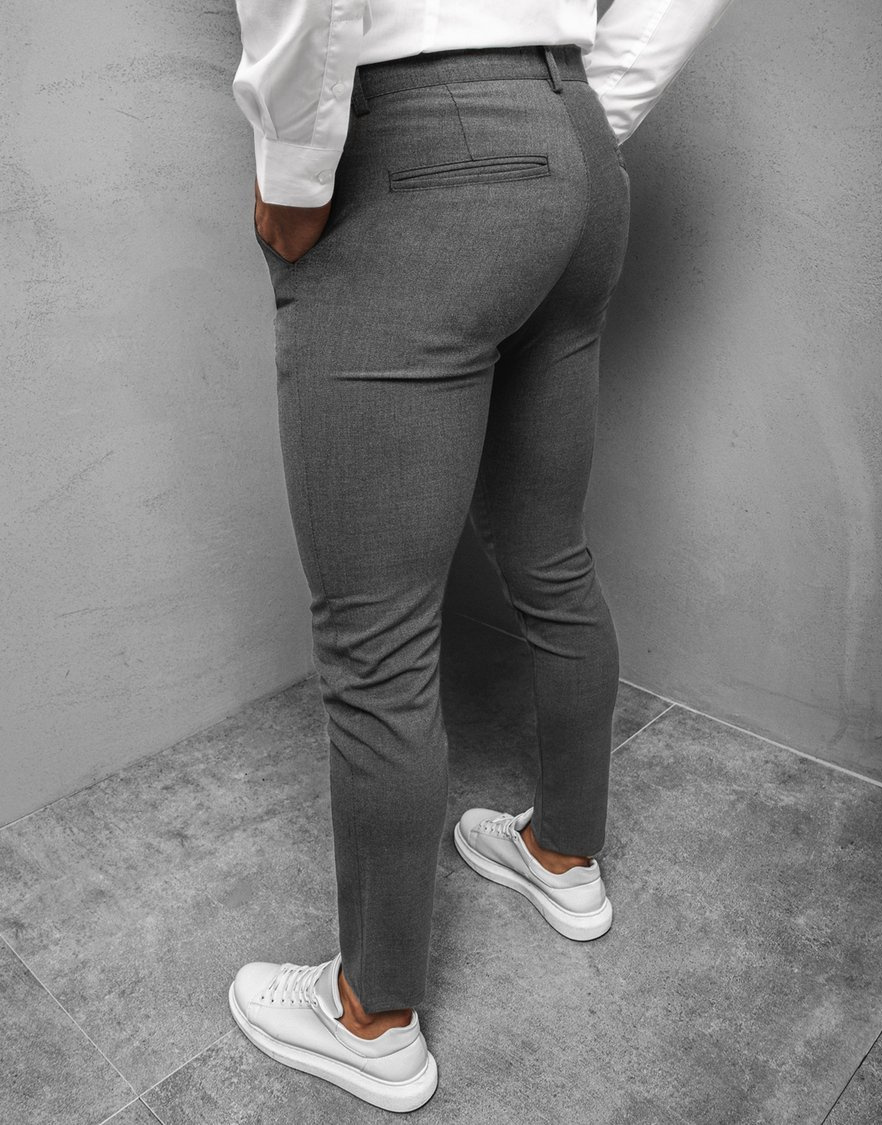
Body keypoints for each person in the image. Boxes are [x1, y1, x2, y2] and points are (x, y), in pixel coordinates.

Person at [226, 0, 736, 1112]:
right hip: (576, 152)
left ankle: (371, 1019)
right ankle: (563, 856)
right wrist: (582, 114)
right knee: (551, 553)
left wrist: (294, 170)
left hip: (417, 144)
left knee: (375, 638)